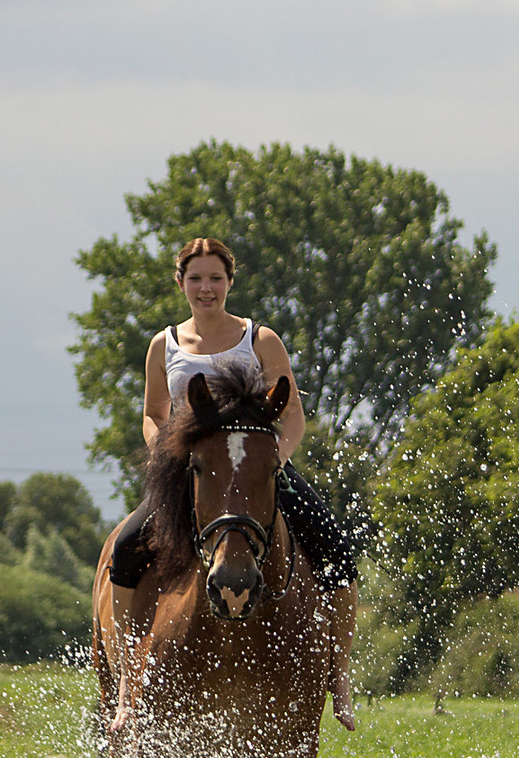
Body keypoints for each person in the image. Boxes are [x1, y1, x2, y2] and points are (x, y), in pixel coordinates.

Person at [106, 236, 358, 727]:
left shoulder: (260, 339)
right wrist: (167, 457)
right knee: (126, 548)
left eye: (215, 278)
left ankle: (339, 672)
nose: (206, 288)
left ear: (229, 282)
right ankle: (124, 679)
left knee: (337, 552)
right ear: (180, 282)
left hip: (260, 471)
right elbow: (153, 414)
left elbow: (293, 416)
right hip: (194, 475)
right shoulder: (164, 344)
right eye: (196, 278)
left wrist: (275, 463)